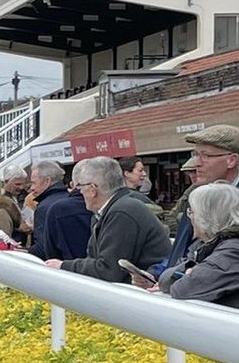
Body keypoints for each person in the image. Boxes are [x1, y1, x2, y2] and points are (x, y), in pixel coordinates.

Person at [44, 155, 171, 281]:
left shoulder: (122, 212)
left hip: (148, 294)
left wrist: (63, 266)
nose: (80, 192)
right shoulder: (111, 210)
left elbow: (109, 270)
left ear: (92, 189)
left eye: (80, 187)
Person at [155, 125, 239, 273]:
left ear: (231, 160)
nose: (196, 163)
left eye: (205, 155)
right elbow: (181, 248)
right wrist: (156, 273)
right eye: (195, 154)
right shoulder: (195, 194)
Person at [158, 182, 239, 308]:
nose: (190, 217)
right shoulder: (204, 245)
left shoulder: (232, 251)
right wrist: (187, 270)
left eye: (192, 212)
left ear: (206, 216)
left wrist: (190, 272)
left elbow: (182, 289)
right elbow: (164, 279)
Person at [28, 161, 92, 261]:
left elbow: (42, 249)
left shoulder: (45, 207)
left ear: (47, 181)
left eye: (33, 183)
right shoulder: (79, 201)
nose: (31, 188)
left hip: (62, 268)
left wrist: (20, 251)